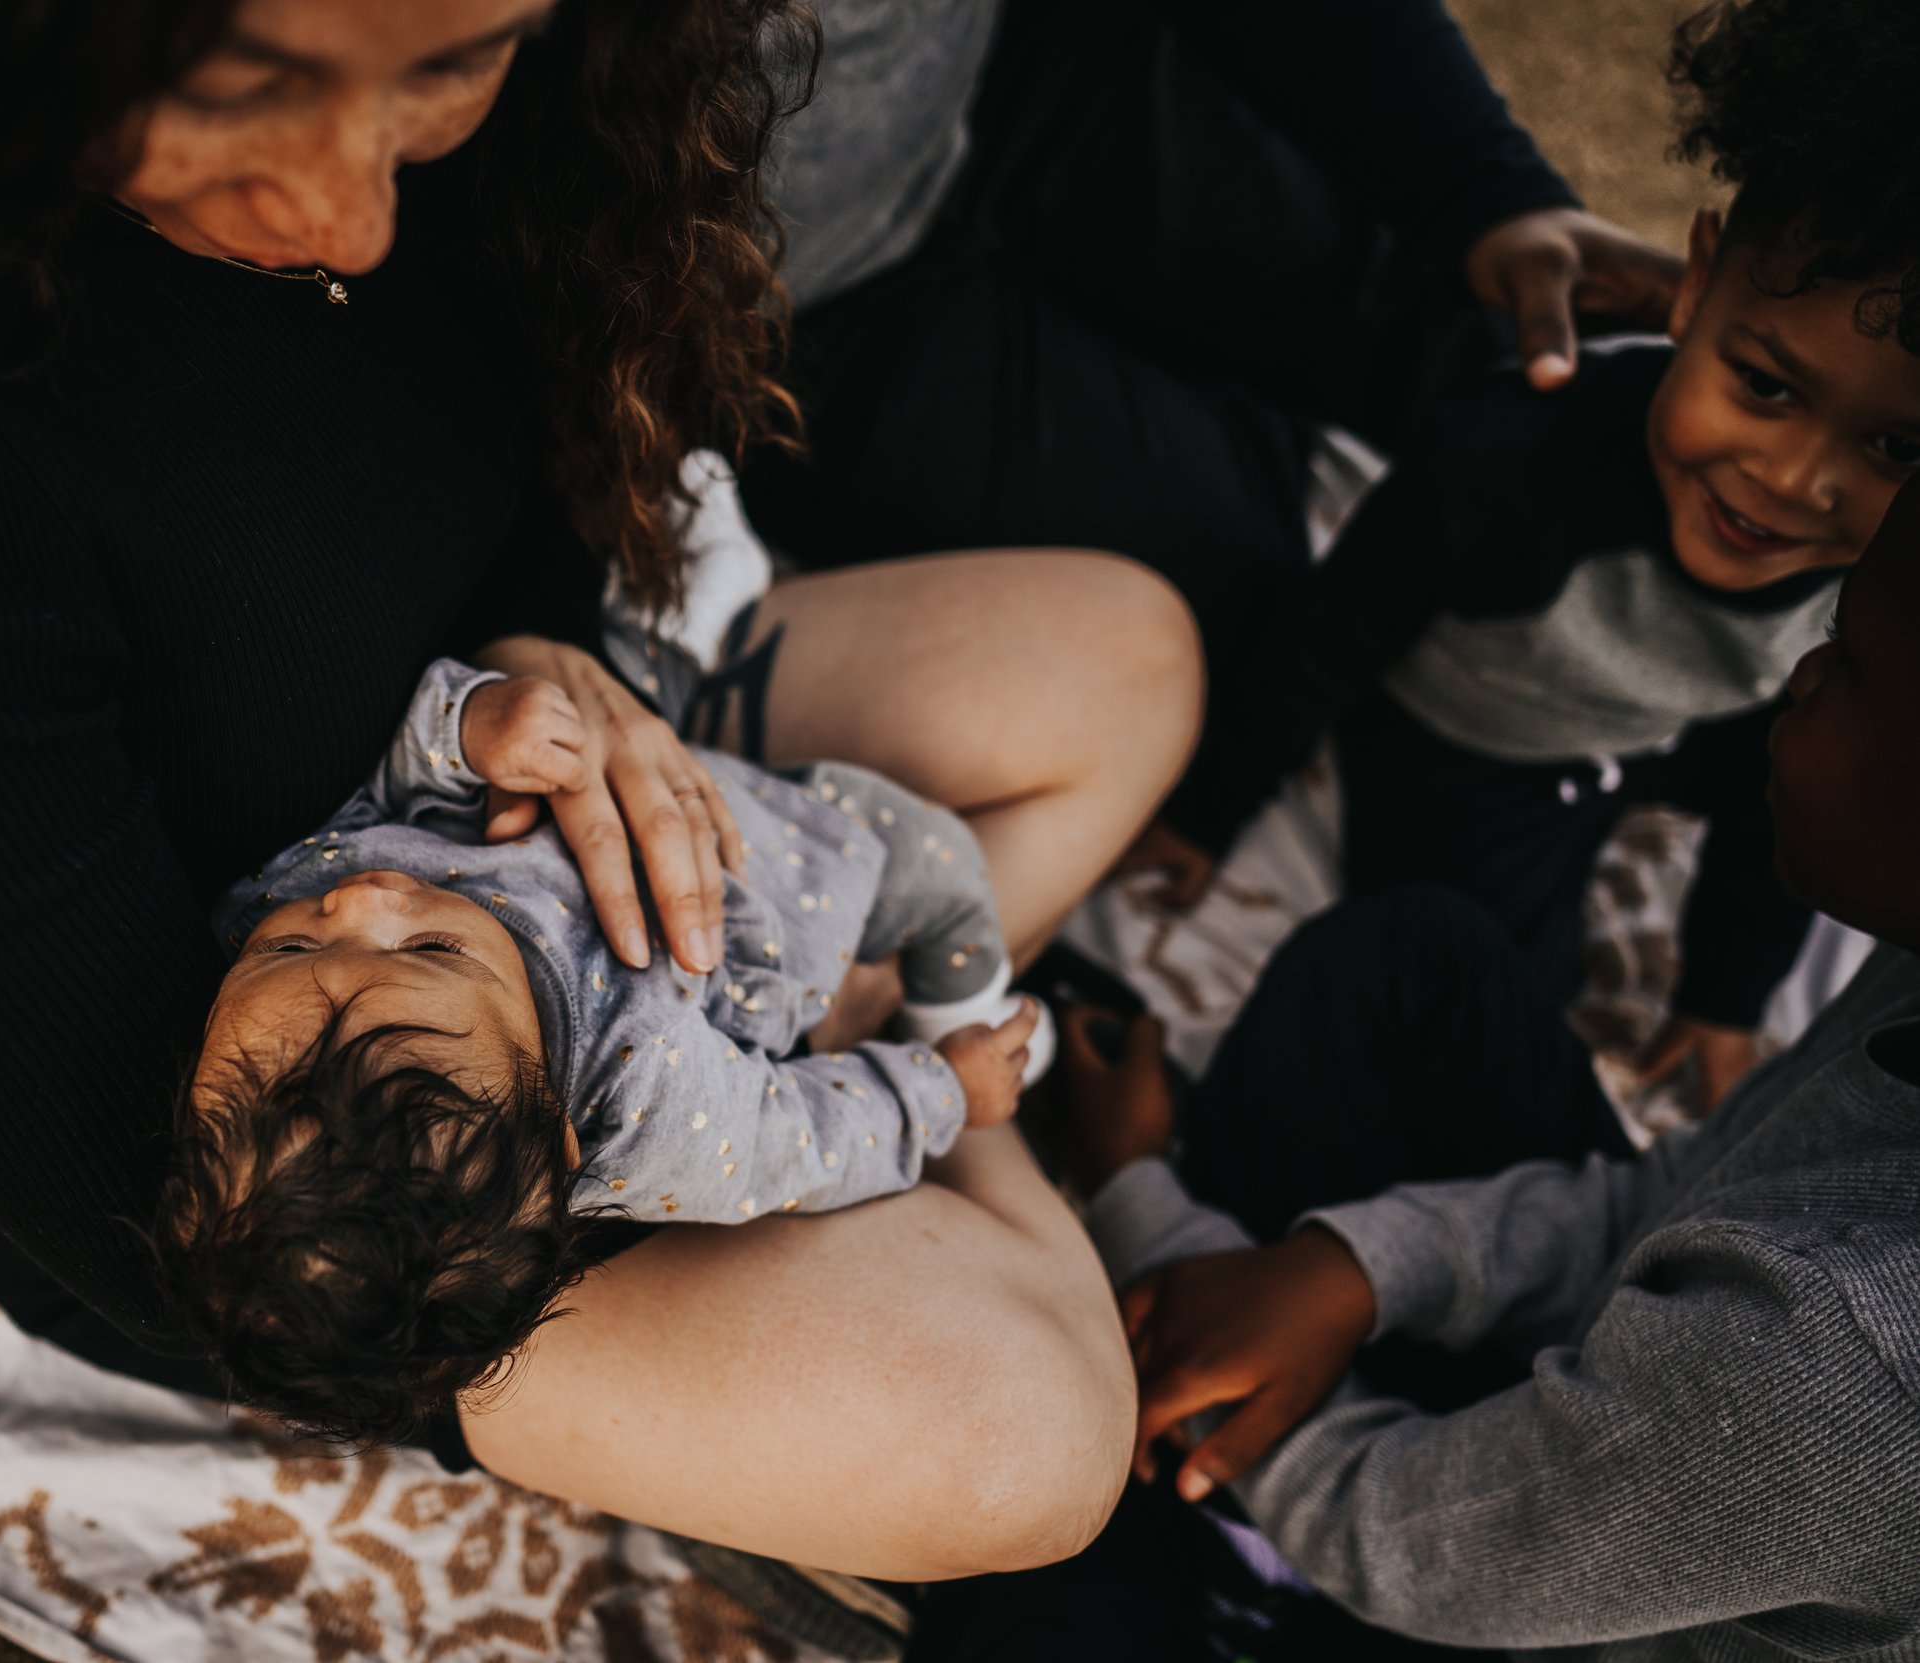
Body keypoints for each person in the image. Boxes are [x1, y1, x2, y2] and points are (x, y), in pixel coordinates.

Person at [0, 0, 1193, 1576]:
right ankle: (972, 1084)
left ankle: (847, 1016)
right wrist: (905, 1100)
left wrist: (550, 664)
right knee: (1016, 1444)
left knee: (1125, 658)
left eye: (449, 63)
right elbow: (138, 1148)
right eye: (235, 92)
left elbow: (536, 482)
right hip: (353, 1191)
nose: (350, 221)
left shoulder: (532, 92)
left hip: (501, 738)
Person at [1056, 456, 1920, 1663]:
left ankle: (1209, 1528)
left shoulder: (1851, 1375)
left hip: (1534, 1604)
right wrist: (1359, 1266)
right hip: (1631, 1454)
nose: (1802, 673)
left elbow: (1408, 1547)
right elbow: (1691, 1200)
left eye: (1857, 663)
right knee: (1414, 961)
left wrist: (1136, 1197)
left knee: (1036, 1554)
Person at [1125, 0, 1920, 1114]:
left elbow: (1764, 791)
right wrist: (1205, 810)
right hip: (1479, 736)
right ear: (1693, 289)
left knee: (1807, 787)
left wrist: (1723, 1000)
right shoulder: (1511, 464)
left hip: (1671, 726)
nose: (1791, 481)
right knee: (1484, 990)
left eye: (1892, 446)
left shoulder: (1877, 588)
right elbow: (1327, 636)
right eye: (1765, 387)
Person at [160, 657, 1046, 1447]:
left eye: (289, 952)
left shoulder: (266, 915)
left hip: (633, 739)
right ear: (557, 1126)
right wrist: (938, 1088)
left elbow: (389, 806)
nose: (363, 898)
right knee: (947, 871)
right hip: (791, 865)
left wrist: (468, 730)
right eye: (432, 950)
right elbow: (800, 1138)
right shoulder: (651, 1102)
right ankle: (961, 1011)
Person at [747, 0, 1690, 667]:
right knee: (1261, 583)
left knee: (1473, 328)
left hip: (1013, 56)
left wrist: (1488, 195)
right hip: (777, 314)